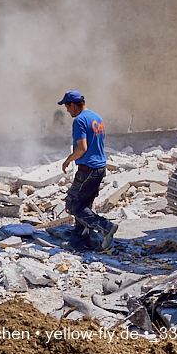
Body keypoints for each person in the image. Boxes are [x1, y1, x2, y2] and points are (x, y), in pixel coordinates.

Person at [58, 90, 117, 252]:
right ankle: (77, 243)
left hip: (88, 169)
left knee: (74, 205)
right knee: (85, 206)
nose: (67, 110)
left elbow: (82, 148)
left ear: (73, 105)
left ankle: (106, 227)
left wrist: (68, 159)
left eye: (67, 107)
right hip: (99, 167)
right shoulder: (96, 117)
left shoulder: (79, 121)